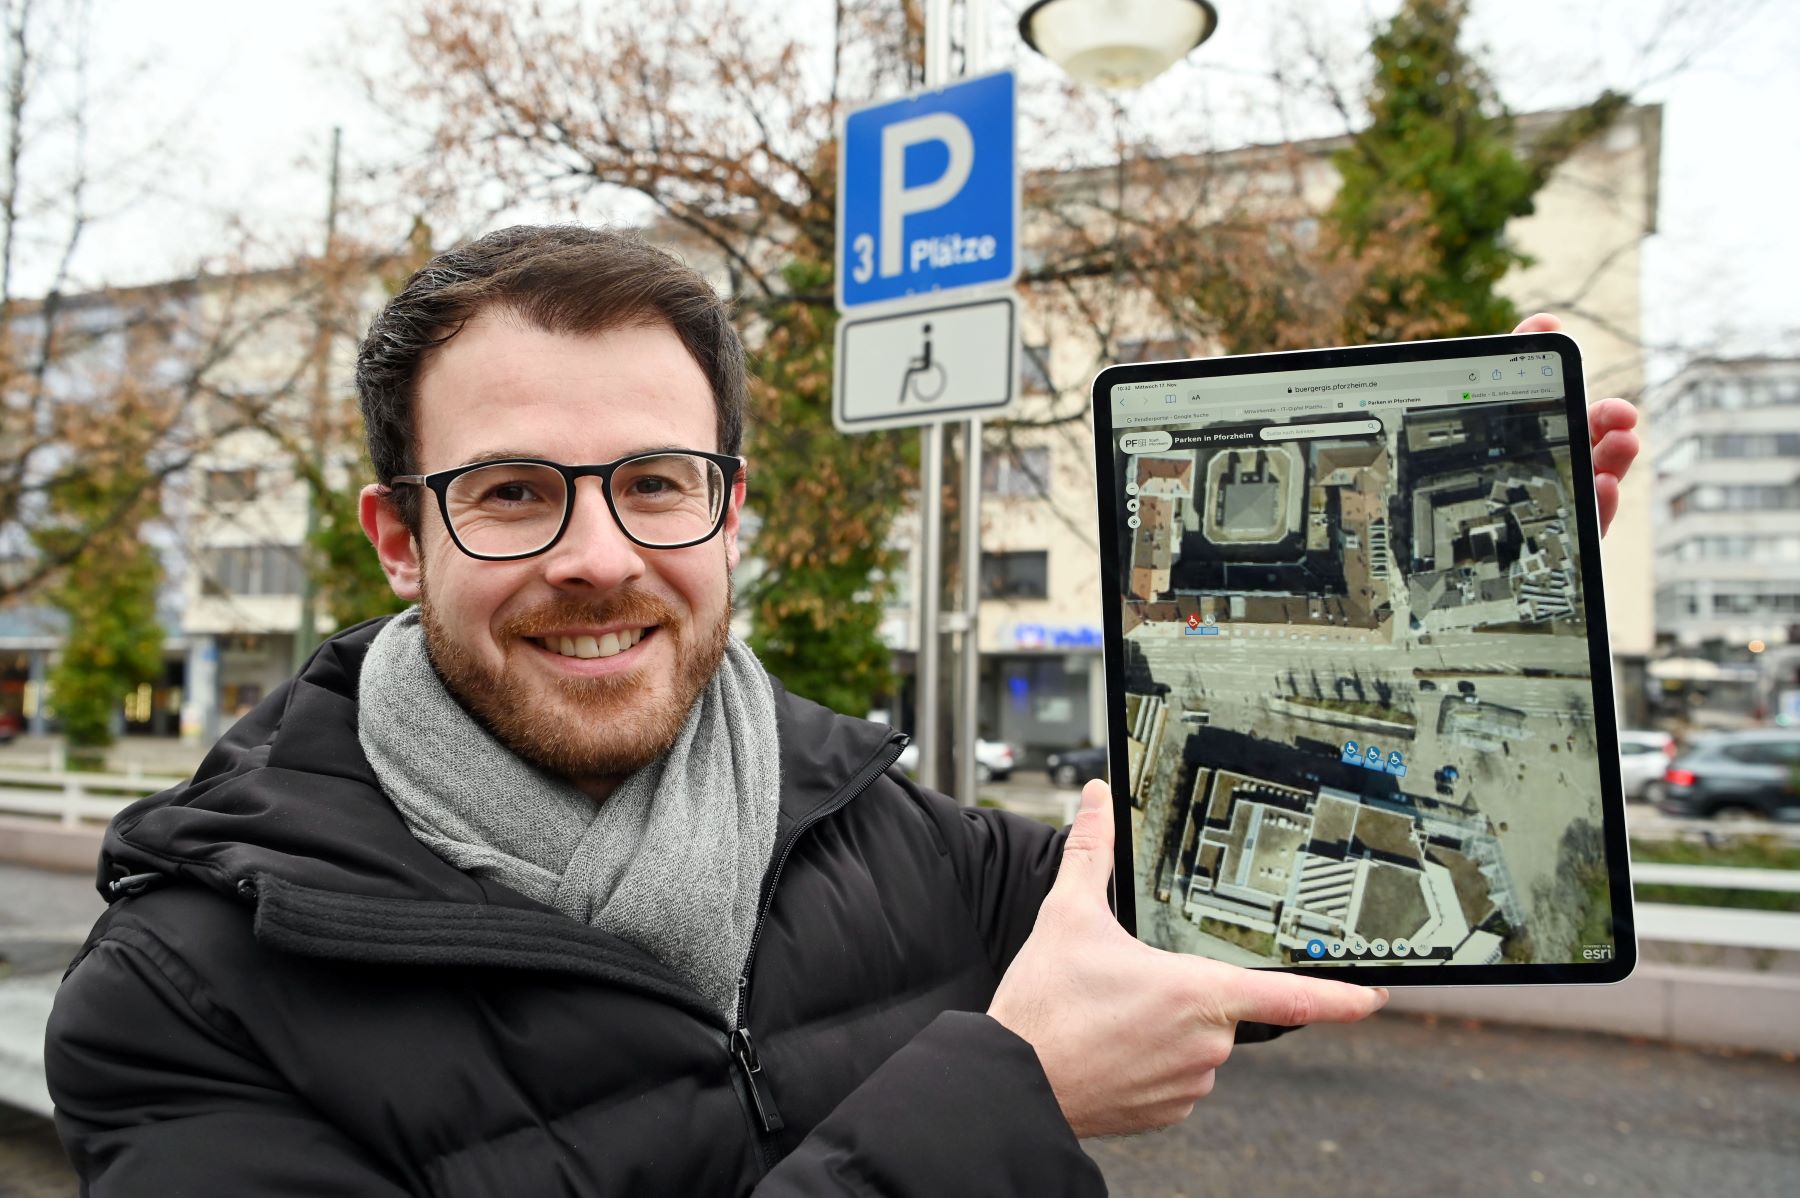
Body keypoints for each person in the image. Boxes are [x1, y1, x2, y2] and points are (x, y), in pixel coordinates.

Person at [44, 227, 1640, 1195]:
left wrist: (1418, 641)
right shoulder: (184, 1000)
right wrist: (1003, 1101)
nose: (600, 557)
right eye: (515, 491)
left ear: (731, 516)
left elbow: (1209, 910)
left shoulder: (870, 822)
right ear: (402, 538)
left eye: (656, 485)